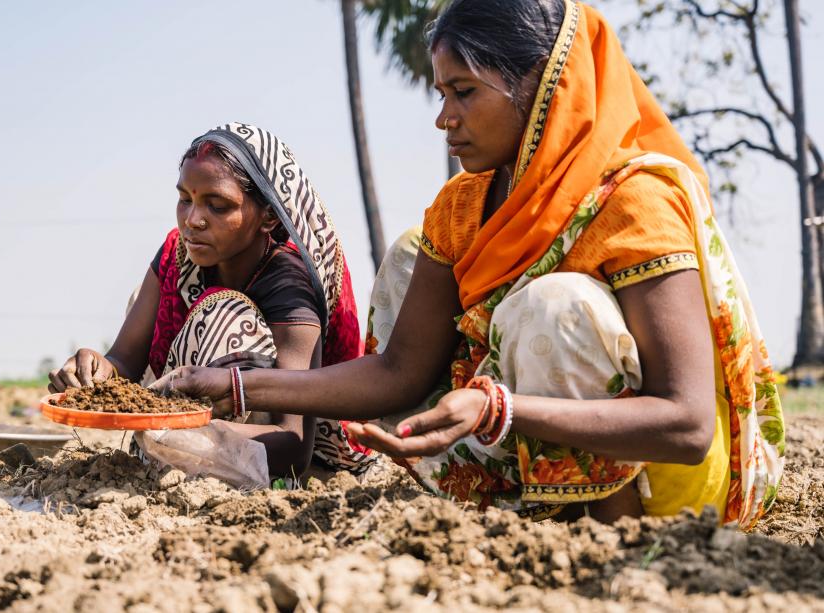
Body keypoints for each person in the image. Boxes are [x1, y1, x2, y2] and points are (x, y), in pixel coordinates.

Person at [159, 0, 785, 529]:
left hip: (665, 494)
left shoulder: (633, 202)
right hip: (513, 447)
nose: (443, 119)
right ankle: (527, 515)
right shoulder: (464, 207)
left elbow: (687, 424)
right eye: (441, 93)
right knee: (408, 255)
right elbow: (401, 371)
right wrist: (234, 387)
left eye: (464, 93)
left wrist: (498, 410)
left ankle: (601, 528)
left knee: (553, 307)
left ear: (544, 83)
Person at [48, 123, 370, 480]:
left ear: (268, 216)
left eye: (216, 205)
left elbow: (293, 441)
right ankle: (164, 456)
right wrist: (95, 369)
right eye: (185, 199)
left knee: (223, 313)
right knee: (144, 296)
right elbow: (125, 359)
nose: (193, 220)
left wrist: (192, 434)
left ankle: (190, 467)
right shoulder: (178, 252)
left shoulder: (288, 283)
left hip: (276, 454)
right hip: (179, 429)